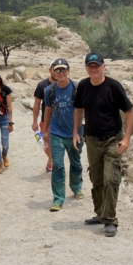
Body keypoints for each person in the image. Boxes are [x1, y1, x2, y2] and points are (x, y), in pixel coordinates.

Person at [73, 51, 133, 237]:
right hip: (91, 140)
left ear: (103, 67)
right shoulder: (83, 86)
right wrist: (76, 132)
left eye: (96, 66)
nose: (93, 69)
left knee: (110, 179)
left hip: (112, 140)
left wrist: (126, 139)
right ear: (86, 68)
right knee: (97, 179)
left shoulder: (113, 86)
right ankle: (100, 214)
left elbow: (130, 112)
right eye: (90, 66)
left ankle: (110, 220)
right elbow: (78, 110)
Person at [42, 58, 84, 212]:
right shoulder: (49, 90)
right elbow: (48, 110)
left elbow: (83, 110)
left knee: (76, 163)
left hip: (75, 133)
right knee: (58, 165)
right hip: (56, 133)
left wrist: (83, 131)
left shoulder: (77, 88)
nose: (60, 73)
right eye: (57, 70)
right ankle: (58, 198)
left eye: (63, 69)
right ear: (53, 71)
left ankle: (76, 187)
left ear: (68, 70)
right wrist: (45, 131)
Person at [32, 61, 59, 172]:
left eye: (60, 70)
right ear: (50, 70)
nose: (57, 72)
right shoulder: (42, 85)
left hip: (60, 121)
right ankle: (51, 159)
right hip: (46, 121)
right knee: (46, 146)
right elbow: (37, 103)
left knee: (58, 145)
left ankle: (55, 162)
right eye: (55, 70)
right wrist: (34, 121)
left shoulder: (66, 84)